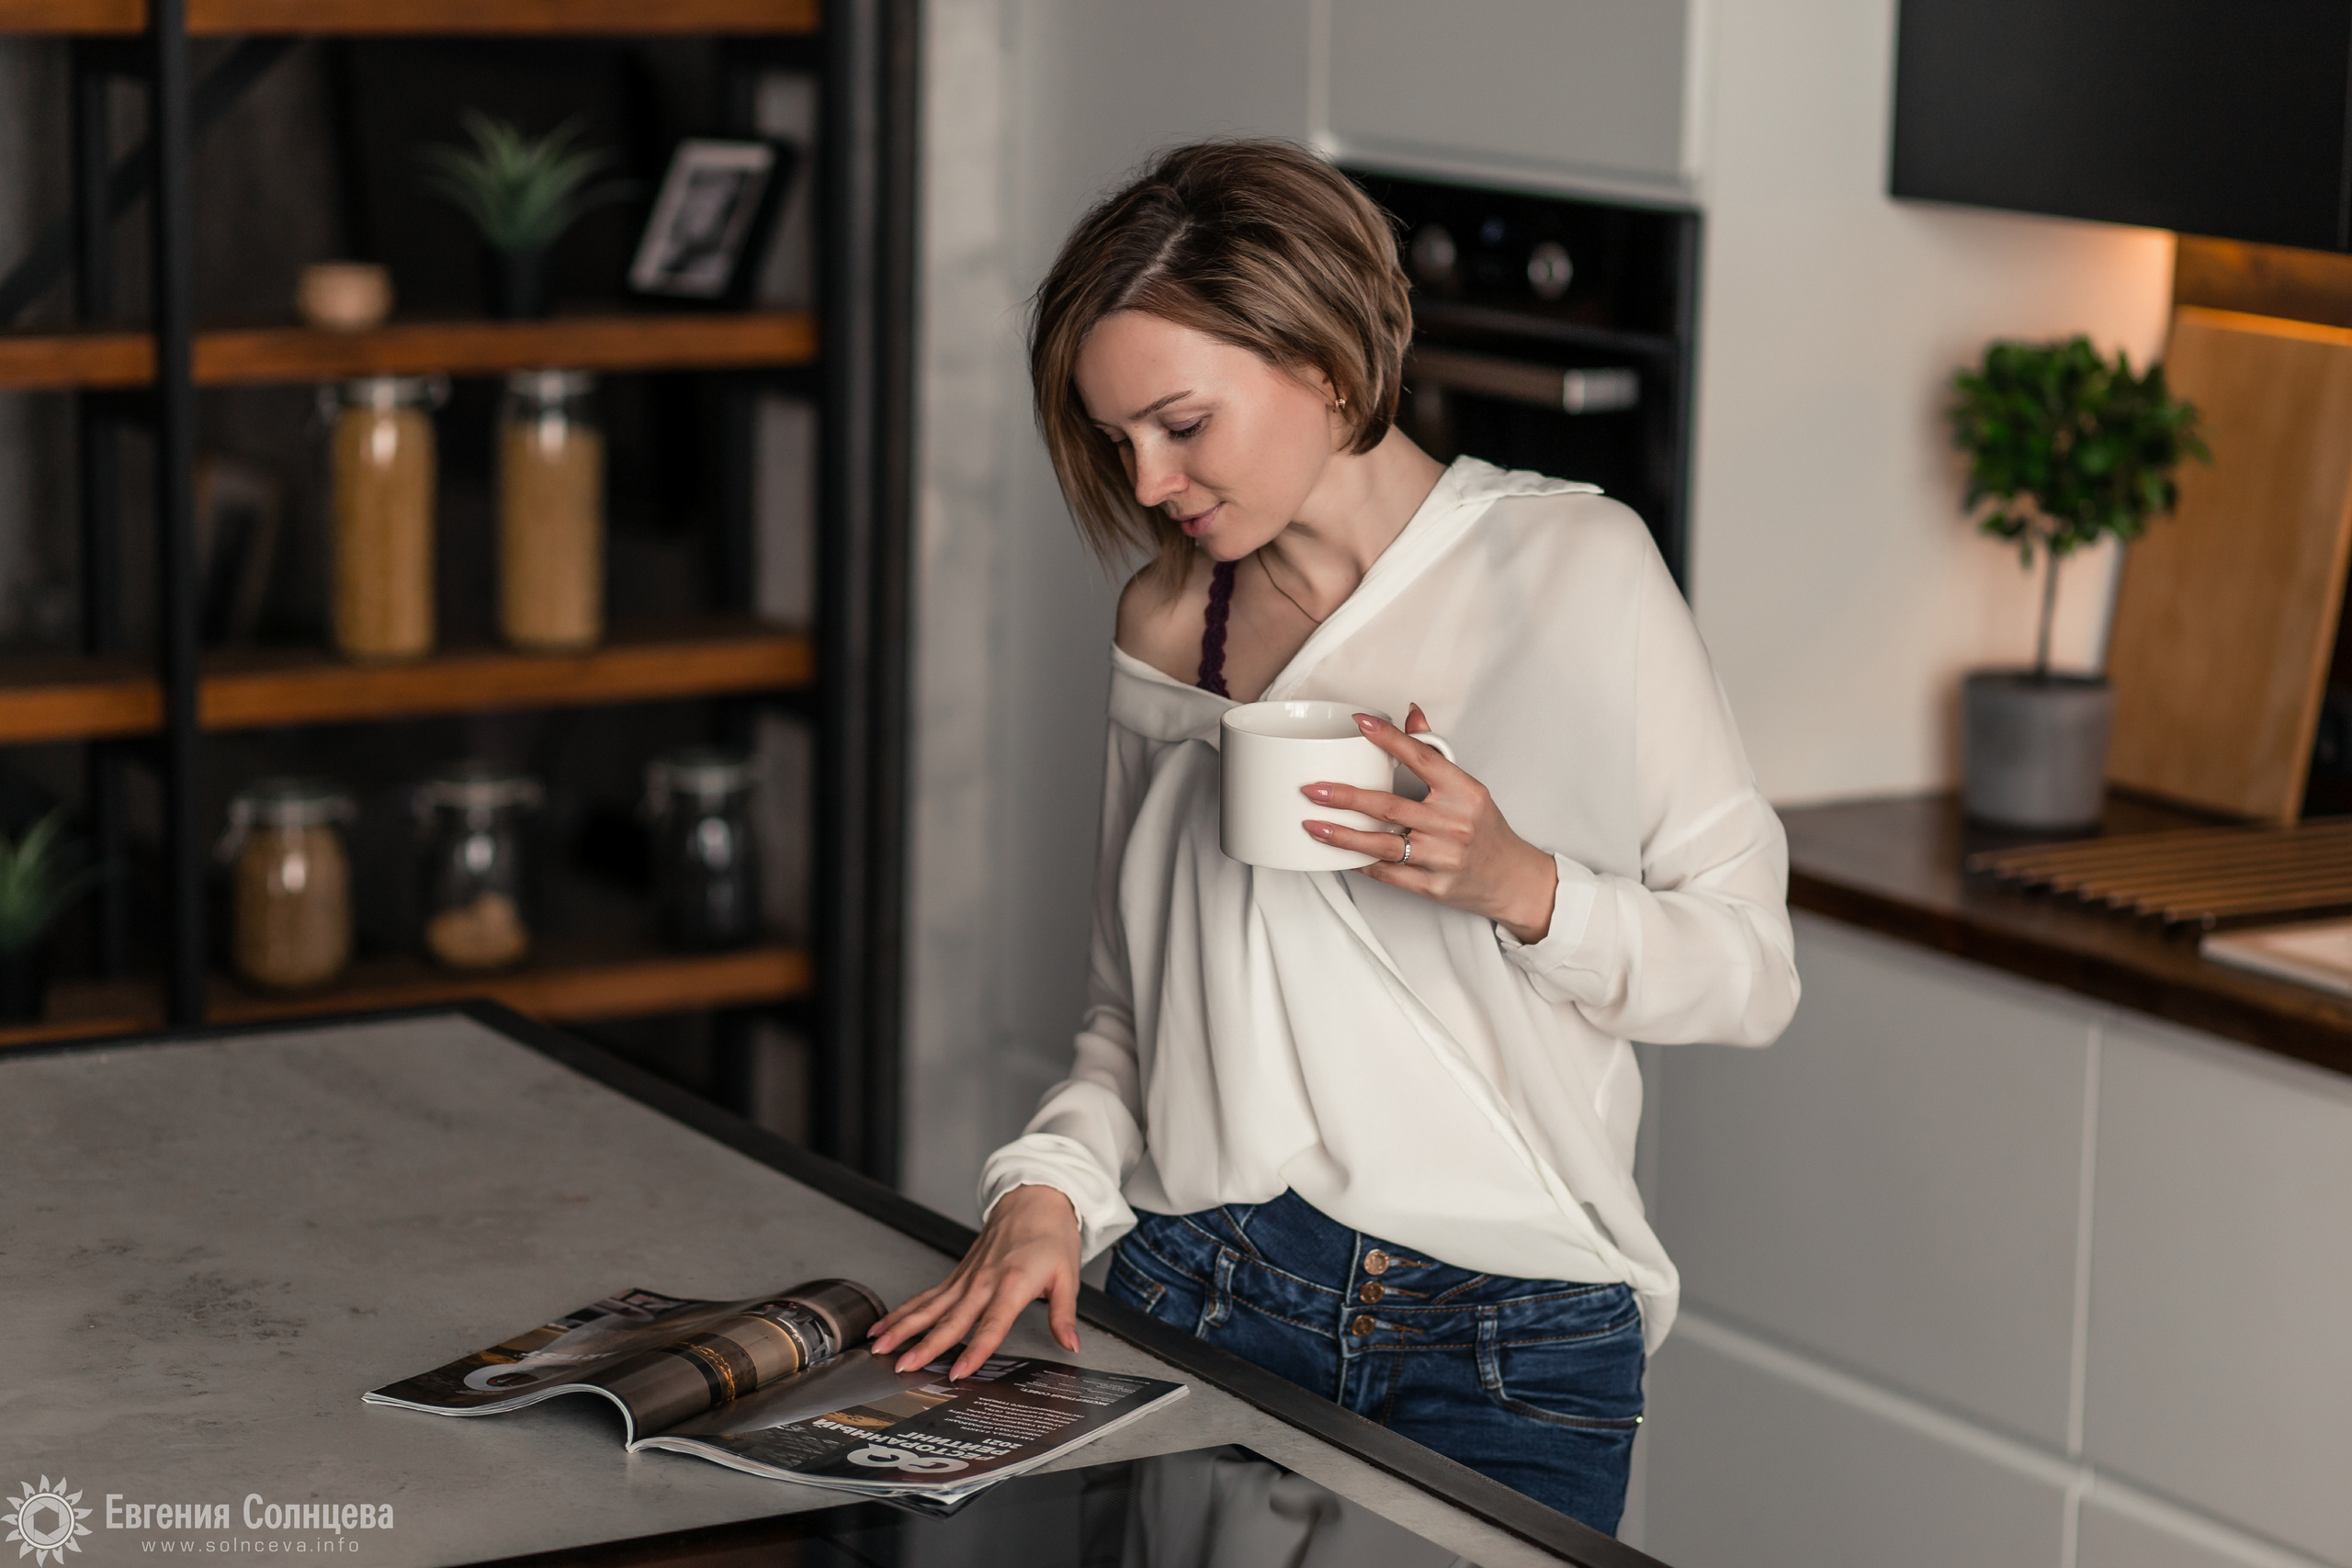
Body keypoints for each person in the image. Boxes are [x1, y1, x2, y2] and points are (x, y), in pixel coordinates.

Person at [871, 140, 1799, 1534]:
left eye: (1181, 424)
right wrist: (1048, 1188)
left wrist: (1520, 885)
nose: (1147, 479)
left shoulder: (1576, 571)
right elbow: (1132, 1015)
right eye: (1116, 440)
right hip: (1207, 1285)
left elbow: (1749, 975)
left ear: (1323, 362)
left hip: (1507, 1342)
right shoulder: (1171, 623)